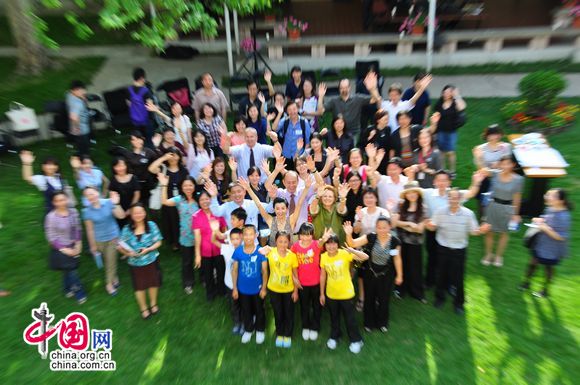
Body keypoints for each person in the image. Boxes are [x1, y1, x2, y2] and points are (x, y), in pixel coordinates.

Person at [410, 170, 483, 288]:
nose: (441, 183)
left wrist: (476, 182)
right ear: (434, 182)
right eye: (439, 180)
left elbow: (471, 193)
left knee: (449, 261)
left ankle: (449, 284)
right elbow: (413, 191)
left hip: (449, 232)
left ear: (449, 182)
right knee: (432, 257)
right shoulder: (428, 193)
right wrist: (411, 176)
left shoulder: (454, 195)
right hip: (432, 230)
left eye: (444, 180)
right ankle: (430, 281)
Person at [426, 189, 490, 314]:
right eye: (450, 198)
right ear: (447, 199)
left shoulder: (468, 213)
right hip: (443, 248)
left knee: (458, 277)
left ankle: (459, 303)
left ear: (460, 199)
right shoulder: (440, 212)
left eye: (456, 198)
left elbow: (473, 231)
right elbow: (433, 226)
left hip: (459, 250)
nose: (453, 200)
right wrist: (429, 225)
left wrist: (481, 231)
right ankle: (440, 298)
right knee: (441, 274)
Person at [345, 217, 402, 333]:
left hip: (386, 274)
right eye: (379, 227)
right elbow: (352, 243)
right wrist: (348, 234)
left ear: (389, 227)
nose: (382, 230)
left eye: (384, 227)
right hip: (370, 273)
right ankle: (368, 323)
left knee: (384, 299)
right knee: (369, 298)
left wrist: (400, 275)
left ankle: (382, 323)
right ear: (376, 228)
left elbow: (397, 258)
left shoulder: (395, 241)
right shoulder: (371, 237)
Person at [320, 235, 369, 354]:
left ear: (338, 244)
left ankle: (356, 340)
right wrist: (322, 293)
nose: (331, 246)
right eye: (328, 243)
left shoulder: (344, 254)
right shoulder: (323, 257)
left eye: (334, 243)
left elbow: (365, 257)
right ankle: (335, 336)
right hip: (331, 294)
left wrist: (351, 250)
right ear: (325, 246)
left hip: (346, 293)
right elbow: (323, 276)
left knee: (350, 319)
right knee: (334, 317)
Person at [519, 189, 572, 298]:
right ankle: (526, 282)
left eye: (551, 196)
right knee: (532, 262)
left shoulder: (563, 217)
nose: (547, 197)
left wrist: (544, 227)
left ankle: (545, 290)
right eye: (547, 195)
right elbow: (546, 219)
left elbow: (560, 237)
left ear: (560, 201)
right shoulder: (550, 208)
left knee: (548, 268)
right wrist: (539, 220)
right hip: (541, 243)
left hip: (552, 248)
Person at [118, 203, 163, 319]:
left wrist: (148, 249)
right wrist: (128, 253)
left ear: (144, 213)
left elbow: (159, 242)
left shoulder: (151, 225)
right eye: (135, 213)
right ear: (131, 215)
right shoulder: (127, 230)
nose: (138, 215)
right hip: (135, 264)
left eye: (140, 212)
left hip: (151, 261)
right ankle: (144, 308)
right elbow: (120, 246)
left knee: (153, 283)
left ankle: (153, 304)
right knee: (139, 286)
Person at [240, 177, 310, 246]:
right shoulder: (270, 220)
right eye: (277, 208)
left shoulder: (291, 220)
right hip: (273, 255)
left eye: (283, 208)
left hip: (288, 254)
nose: (280, 211)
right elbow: (258, 204)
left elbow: (299, 204)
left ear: (287, 209)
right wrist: (248, 189)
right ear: (274, 209)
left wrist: (306, 188)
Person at [159, 174, 199, 295]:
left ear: (194, 186)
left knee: (203, 260)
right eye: (185, 185)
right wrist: (164, 185)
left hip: (200, 236)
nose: (188, 187)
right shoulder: (179, 199)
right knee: (187, 262)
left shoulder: (199, 198)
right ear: (181, 187)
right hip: (185, 237)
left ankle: (204, 279)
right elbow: (164, 201)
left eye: (190, 185)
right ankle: (188, 283)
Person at [44, 191, 87, 304]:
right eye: (57, 201)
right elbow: (51, 237)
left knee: (67, 269)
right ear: (54, 202)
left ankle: (67, 289)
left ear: (67, 200)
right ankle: (80, 293)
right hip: (60, 248)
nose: (61, 203)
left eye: (63, 199)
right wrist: (65, 250)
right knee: (72, 271)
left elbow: (77, 228)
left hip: (73, 246)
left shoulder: (73, 212)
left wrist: (78, 244)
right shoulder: (51, 217)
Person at [480, 156, 524, 267]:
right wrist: (478, 156)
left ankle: (499, 256)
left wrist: (516, 213)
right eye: (503, 163)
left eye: (508, 163)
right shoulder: (495, 174)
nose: (505, 166)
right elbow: (482, 169)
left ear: (513, 165)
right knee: (489, 231)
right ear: (500, 164)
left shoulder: (518, 179)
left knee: (504, 233)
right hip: (493, 206)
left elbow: (517, 198)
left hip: (507, 208)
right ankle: (488, 254)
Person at [291, 223, 330, 342]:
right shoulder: (295, 247)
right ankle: (305, 326)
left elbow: (321, 243)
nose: (305, 238)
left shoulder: (315, 244)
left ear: (312, 236)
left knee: (317, 306)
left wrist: (324, 239)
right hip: (302, 284)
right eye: (303, 235)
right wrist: (295, 284)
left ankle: (315, 326)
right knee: (304, 307)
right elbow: (292, 265)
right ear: (299, 235)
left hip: (316, 283)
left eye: (308, 235)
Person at [260, 232, 300, 348]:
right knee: (278, 312)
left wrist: (296, 291)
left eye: (285, 242)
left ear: (289, 242)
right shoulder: (270, 252)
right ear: (275, 241)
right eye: (280, 241)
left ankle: (288, 334)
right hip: (274, 290)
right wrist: (266, 247)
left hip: (288, 290)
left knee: (288, 312)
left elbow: (295, 275)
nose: (283, 244)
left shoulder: (292, 256)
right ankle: (280, 333)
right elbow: (259, 251)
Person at [82, 188, 125, 295]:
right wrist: (92, 245)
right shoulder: (86, 211)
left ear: (98, 192)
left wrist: (116, 203)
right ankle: (114, 277)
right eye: (88, 195)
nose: (91, 197)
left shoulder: (108, 202)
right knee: (109, 261)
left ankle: (109, 284)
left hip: (113, 237)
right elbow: (90, 229)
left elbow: (121, 216)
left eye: (92, 193)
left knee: (111, 261)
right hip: (99, 240)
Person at [232, 225, 268, 344]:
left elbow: (264, 272)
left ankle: (260, 330)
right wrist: (235, 289)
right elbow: (235, 270)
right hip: (243, 289)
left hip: (257, 289)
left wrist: (263, 288)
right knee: (246, 310)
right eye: (246, 234)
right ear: (242, 236)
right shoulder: (238, 251)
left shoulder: (260, 251)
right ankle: (248, 329)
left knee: (259, 310)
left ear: (255, 235)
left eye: (251, 234)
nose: (248, 237)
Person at [392, 182, 426, 302]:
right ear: (406, 195)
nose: (411, 195)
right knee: (402, 266)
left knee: (415, 268)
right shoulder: (401, 207)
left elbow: (420, 229)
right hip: (401, 243)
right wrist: (409, 224)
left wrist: (404, 225)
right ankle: (401, 290)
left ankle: (417, 292)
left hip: (416, 243)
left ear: (418, 194)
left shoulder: (423, 208)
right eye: (409, 193)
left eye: (414, 192)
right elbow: (394, 223)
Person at [148, 148, 188, 251]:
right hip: (167, 199)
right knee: (170, 221)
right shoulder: (163, 169)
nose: (173, 157)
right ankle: (174, 242)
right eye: (171, 155)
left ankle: (183, 240)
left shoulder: (183, 170)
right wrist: (163, 158)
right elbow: (151, 169)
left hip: (180, 200)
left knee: (181, 220)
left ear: (179, 156)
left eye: (175, 155)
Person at [319, 75, 376, 145]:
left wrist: (372, 89)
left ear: (349, 88)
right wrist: (321, 97)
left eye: (346, 87)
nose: (344, 90)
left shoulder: (357, 98)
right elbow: (320, 111)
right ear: (339, 89)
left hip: (353, 132)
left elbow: (374, 99)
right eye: (342, 88)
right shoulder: (334, 101)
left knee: (349, 151)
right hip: (337, 132)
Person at [192, 190, 228, 301]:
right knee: (208, 274)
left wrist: (227, 244)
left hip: (219, 248)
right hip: (205, 250)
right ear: (199, 202)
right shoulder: (196, 216)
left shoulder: (217, 212)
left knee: (221, 270)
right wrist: (197, 255)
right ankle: (210, 293)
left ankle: (222, 290)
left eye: (207, 199)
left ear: (210, 199)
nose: (205, 201)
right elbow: (197, 237)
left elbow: (224, 229)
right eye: (202, 200)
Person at [472, 124, 512, 214]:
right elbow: (481, 168)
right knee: (482, 186)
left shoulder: (506, 147)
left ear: (500, 135)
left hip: (501, 176)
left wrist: (496, 166)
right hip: (486, 177)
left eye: (496, 134)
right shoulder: (480, 148)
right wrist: (497, 165)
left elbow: (507, 165)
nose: (494, 137)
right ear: (486, 135)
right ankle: (483, 215)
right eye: (491, 134)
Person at [213, 225, 244, 334]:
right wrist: (215, 230)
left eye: (237, 239)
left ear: (242, 238)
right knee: (233, 305)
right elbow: (214, 241)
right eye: (233, 239)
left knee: (243, 304)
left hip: (243, 285)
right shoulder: (226, 248)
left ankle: (244, 323)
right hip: (230, 284)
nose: (235, 241)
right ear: (230, 240)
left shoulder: (246, 250)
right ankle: (237, 323)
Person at [433, 85, 467, 176]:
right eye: (445, 92)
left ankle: (452, 171)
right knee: (442, 151)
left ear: (452, 93)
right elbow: (436, 114)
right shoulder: (439, 103)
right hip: (440, 131)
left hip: (452, 131)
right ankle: (442, 169)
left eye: (449, 92)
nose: (446, 94)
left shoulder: (455, 103)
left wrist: (457, 96)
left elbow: (463, 107)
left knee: (451, 152)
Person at [116, 131, 157, 206]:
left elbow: (156, 163)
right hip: (135, 184)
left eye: (139, 138)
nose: (137, 141)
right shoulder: (128, 154)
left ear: (142, 139)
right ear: (131, 142)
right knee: (137, 204)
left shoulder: (149, 152)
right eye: (134, 139)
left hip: (148, 183)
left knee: (152, 204)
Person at [272, 101, 312, 168]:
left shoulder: (304, 122)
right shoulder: (285, 121)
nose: (292, 111)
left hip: (299, 156)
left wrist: (303, 156)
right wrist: (280, 113)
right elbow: (274, 128)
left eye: (294, 109)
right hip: (285, 155)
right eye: (289, 110)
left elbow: (307, 142)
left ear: (298, 109)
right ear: (287, 111)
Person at [109, 157, 141, 227]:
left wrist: (131, 209)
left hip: (133, 208)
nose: (120, 168)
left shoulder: (133, 178)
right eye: (117, 166)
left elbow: (137, 195)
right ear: (114, 167)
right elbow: (112, 195)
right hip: (119, 208)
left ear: (126, 165)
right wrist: (120, 211)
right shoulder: (113, 179)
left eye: (122, 165)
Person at [127, 68, 155, 148]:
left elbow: (129, 104)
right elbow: (150, 106)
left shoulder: (128, 90)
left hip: (135, 121)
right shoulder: (146, 91)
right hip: (146, 121)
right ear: (142, 78)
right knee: (149, 143)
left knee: (138, 142)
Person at [67, 80, 91, 155]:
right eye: (81, 91)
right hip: (82, 130)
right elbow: (73, 116)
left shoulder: (69, 95)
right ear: (75, 90)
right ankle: (86, 161)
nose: (84, 92)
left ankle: (81, 158)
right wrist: (78, 128)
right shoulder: (78, 103)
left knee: (80, 148)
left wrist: (83, 98)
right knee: (84, 150)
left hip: (75, 129)